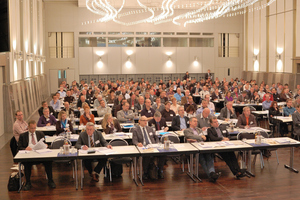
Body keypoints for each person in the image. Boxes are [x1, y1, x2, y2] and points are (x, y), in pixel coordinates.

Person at [18, 120, 56, 190]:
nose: (33, 130)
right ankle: (28, 182)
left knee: (48, 161)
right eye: (32, 128)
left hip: (39, 153)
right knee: (27, 164)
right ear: (28, 127)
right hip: (29, 154)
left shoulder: (40, 134)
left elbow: (44, 143)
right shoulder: (23, 136)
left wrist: (45, 145)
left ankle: (50, 180)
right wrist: (25, 148)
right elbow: (19, 147)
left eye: (35, 128)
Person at [184, 117, 220, 182]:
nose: (196, 123)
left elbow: (204, 138)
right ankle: (211, 175)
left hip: (203, 146)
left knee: (210, 158)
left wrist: (197, 138)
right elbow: (190, 136)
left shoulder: (199, 129)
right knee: (202, 159)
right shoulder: (186, 130)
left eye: (196, 121)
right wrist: (200, 137)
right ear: (190, 122)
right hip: (194, 148)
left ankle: (212, 173)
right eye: (194, 121)